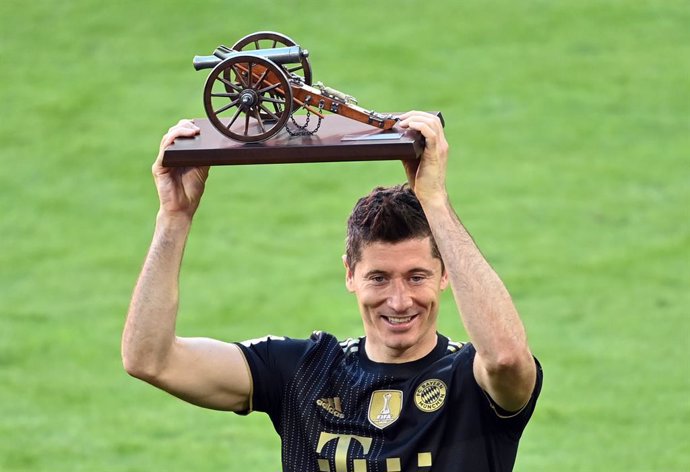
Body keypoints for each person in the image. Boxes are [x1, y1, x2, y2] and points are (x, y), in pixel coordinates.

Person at [122, 111, 542, 471]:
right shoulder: (305, 371)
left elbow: (506, 356)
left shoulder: (472, 382)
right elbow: (150, 358)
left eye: (416, 277)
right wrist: (174, 218)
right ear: (350, 275)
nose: (399, 301)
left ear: (445, 274)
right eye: (379, 278)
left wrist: (434, 200)